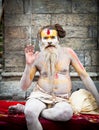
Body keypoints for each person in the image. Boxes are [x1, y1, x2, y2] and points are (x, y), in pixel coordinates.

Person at [9, 24, 99, 130]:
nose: (49, 41)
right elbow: (23, 87)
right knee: (30, 113)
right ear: (41, 40)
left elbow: (84, 76)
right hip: (40, 96)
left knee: (66, 113)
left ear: (58, 39)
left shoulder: (68, 53)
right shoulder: (36, 57)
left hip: (62, 99)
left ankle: (30, 110)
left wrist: (98, 99)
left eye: (52, 37)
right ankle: (28, 109)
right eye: (46, 38)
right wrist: (28, 65)